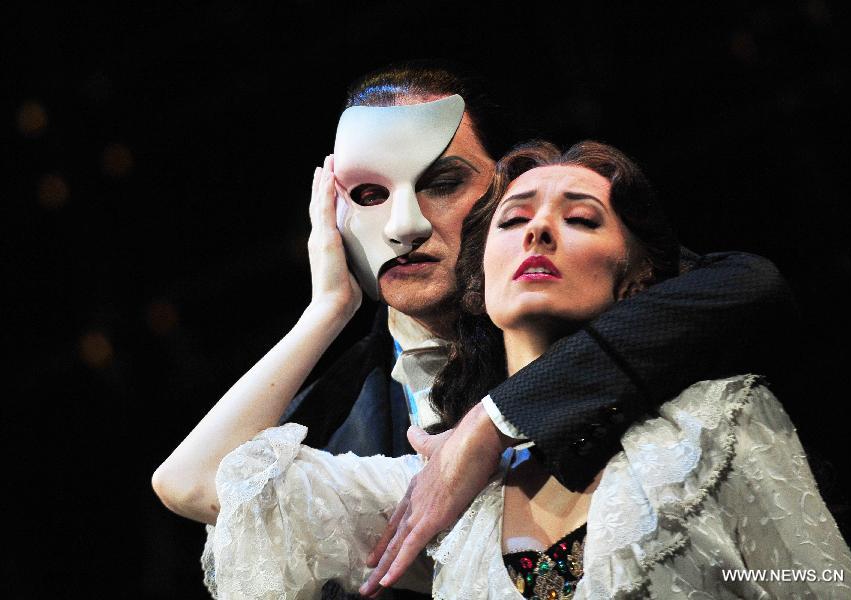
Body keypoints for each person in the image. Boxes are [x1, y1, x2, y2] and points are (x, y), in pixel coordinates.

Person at [152, 63, 797, 594]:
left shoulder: (656, 360)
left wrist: (498, 417)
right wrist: (327, 310)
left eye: (444, 182)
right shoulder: (326, 427)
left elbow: (750, 281)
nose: (405, 228)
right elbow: (188, 481)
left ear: (501, 190)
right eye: (369, 196)